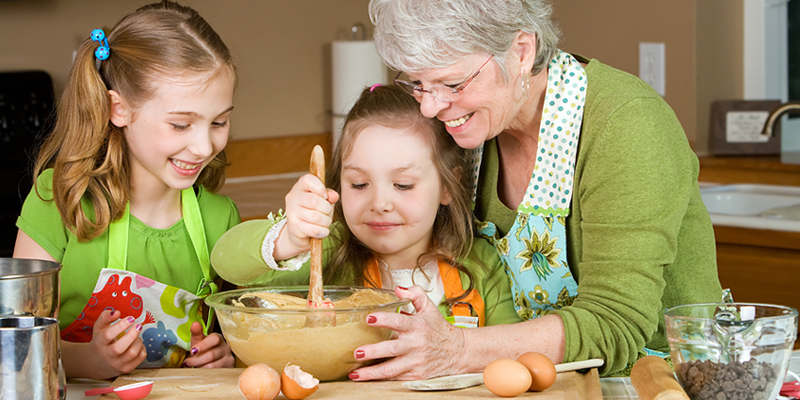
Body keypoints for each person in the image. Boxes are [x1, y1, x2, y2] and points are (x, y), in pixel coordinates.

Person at [341, 0, 725, 380]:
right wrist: (288, 236)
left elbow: (616, 323)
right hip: (534, 381)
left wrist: (457, 348)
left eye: (452, 83)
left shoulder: (626, 125)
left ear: (521, 51)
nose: (430, 108)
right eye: (419, 84)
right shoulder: (468, 126)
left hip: (658, 380)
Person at [13, 1, 239, 379]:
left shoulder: (219, 218)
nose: (203, 146)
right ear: (118, 109)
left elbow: (233, 335)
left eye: (219, 121)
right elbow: (16, 343)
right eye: (181, 125)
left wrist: (223, 353)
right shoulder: (58, 201)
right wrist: (92, 360)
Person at [210, 84, 521, 333]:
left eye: (403, 185)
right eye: (359, 184)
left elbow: (510, 350)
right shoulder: (327, 251)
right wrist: (289, 239)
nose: (380, 204)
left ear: (446, 186)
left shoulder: (481, 265)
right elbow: (225, 262)